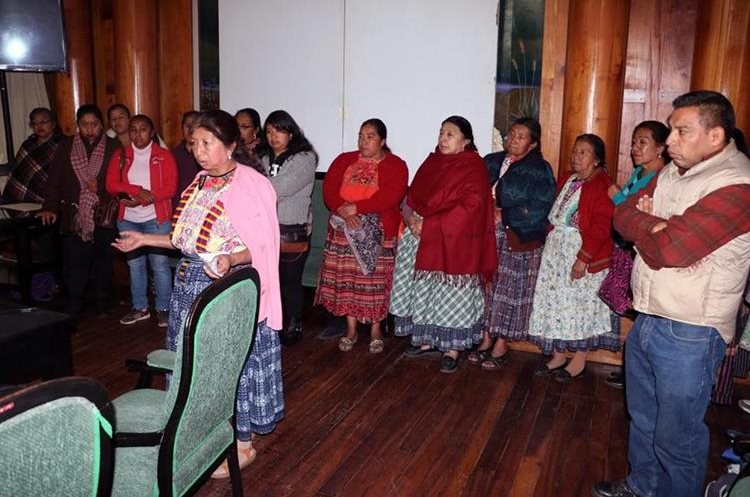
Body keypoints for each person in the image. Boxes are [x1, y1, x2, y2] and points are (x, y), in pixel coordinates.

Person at [593, 91, 750, 497]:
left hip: (692, 329)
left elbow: (670, 249)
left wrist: (647, 223)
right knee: (643, 418)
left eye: (682, 131)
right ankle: (642, 486)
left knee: (676, 437)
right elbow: (621, 215)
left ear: (716, 136)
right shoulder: (674, 171)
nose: (670, 142)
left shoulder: (737, 185)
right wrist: (653, 223)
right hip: (649, 314)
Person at [112, 109, 284, 479]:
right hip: (189, 287)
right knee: (194, 367)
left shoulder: (252, 184)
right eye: (195, 144)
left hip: (229, 290)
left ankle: (242, 443)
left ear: (231, 145)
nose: (199, 151)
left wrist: (229, 258)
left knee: (226, 368)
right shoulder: (200, 183)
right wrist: (144, 238)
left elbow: (264, 246)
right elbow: (183, 240)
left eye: (208, 143)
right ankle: (202, 432)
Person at [389, 115, 496, 373]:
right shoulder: (432, 162)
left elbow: (471, 207)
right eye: (441, 133)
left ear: (465, 141)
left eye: (450, 134)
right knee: (424, 290)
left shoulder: (473, 167)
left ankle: (452, 348)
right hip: (421, 236)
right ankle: (426, 340)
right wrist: (413, 218)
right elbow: (413, 195)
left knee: (450, 294)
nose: (443, 139)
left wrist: (431, 225)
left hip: (454, 241)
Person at [527, 134, 618, 382]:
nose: (576, 157)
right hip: (557, 250)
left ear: (597, 159)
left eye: (583, 153)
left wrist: (583, 258)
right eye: (575, 152)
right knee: (556, 304)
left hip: (580, 251)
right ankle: (558, 355)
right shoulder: (569, 179)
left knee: (579, 307)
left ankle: (578, 360)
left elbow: (601, 226)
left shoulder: (602, 185)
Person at [468, 117, 555, 370]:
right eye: (511, 135)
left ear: (533, 144)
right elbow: (472, 190)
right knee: (486, 286)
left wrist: (504, 214)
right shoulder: (492, 161)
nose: (513, 140)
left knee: (509, 290)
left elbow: (541, 206)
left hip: (516, 238)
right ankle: (485, 337)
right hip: (485, 235)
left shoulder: (540, 169)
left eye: (520, 137)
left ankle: (501, 344)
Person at [315, 118, 408, 353]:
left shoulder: (397, 165)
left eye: (370, 136)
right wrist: (345, 213)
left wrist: (358, 209)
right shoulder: (344, 160)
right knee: (347, 281)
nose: (363, 141)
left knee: (374, 282)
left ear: (383, 140)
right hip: (343, 229)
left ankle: (376, 329)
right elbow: (329, 192)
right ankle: (351, 329)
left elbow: (392, 196)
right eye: (360, 136)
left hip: (378, 231)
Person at [603, 121, 670, 390]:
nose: (635, 148)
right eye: (634, 142)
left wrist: (618, 199)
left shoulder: (661, 179)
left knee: (643, 309)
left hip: (642, 252)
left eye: (643, 142)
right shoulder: (639, 172)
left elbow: (639, 217)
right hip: (625, 250)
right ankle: (634, 368)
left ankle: (641, 371)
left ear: (661, 148)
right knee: (632, 308)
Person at [37, 104, 120, 317]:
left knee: (103, 259)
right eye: (85, 124)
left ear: (101, 126)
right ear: (78, 126)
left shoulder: (113, 146)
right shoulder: (66, 146)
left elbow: (120, 180)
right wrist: (50, 207)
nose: (89, 129)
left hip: (103, 213)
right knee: (75, 260)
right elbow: (55, 179)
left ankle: (102, 300)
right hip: (75, 214)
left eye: (94, 124)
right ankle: (75, 300)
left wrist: (100, 188)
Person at [105, 114, 177, 327]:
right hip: (128, 219)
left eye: (143, 129)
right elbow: (111, 184)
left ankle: (164, 308)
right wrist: (137, 191)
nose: (138, 134)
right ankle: (140, 307)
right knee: (135, 265)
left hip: (156, 218)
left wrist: (145, 199)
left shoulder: (164, 156)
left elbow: (170, 188)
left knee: (160, 265)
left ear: (152, 132)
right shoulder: (120, 155)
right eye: (133, 129)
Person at [258, 110, 318, 346]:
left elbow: (277, 190)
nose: (273, 137)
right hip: (265, 229)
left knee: (289, 281)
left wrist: (255, 187)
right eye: (269, 132)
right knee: (268, 279)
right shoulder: (263, 158)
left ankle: (294, 324)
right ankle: (274, 322)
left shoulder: (304, 159)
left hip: (292, 229)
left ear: (291, 133)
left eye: (279, 131)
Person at [2, 107, 65, 205]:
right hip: (17, 200)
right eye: (34, 123)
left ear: (53, 124)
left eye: (43, 122)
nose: (39, 126)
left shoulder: (63, 145)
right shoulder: (27, 145)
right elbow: (16, 174)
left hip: (50, 201)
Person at [170, 110, 201, 211]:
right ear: (182, 128)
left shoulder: (207, 155)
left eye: (194, 127)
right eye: (187, 126)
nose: (191, 131)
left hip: (200, 207)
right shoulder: (172, 155)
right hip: (178, 207)